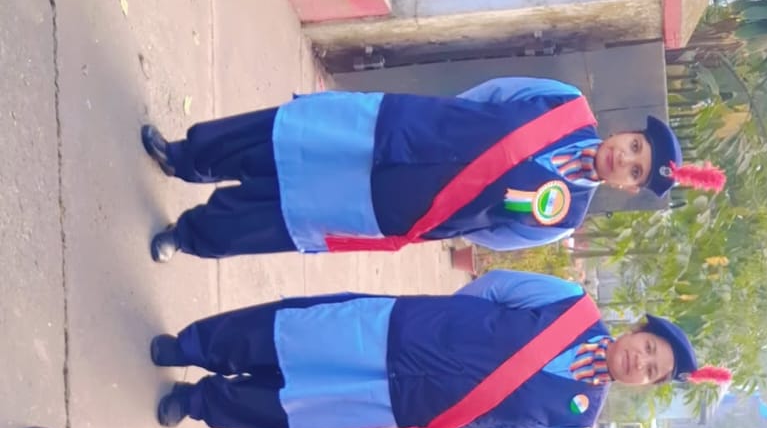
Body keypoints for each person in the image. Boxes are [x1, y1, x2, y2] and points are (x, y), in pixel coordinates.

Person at [140, 80, 725, 263]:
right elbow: (492, 94)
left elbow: (489, 233)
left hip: (403, 203)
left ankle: (188, 236)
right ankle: (187, 156)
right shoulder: (564, 105)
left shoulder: (560, 215)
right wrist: (443, 125)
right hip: (401, 127)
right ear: (626, 132)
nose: (624, 159)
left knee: (287, 216)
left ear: (626, 187)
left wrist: (439, 204)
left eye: (634, 170)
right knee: (285, 136)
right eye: (632, 147)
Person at [150, 279, 730, 428]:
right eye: (650, 350)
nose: (641, 363)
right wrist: (446, 330)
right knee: (292, 334)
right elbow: (496, 287)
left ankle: (200, 402)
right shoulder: (571, 307)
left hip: (408, 406)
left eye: (651, 371)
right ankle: (194, 347)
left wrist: (448, 409)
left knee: (296, 408)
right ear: (638, 331)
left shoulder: (575, 416)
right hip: (403, 330)